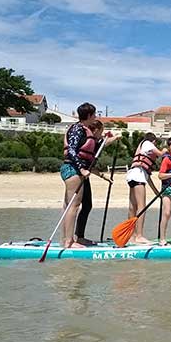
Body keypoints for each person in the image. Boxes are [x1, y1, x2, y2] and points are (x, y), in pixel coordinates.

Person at [59, 102, 98, 249]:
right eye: (94, 114)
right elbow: (71, 150)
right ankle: (69, 241)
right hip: (73, 169)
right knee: (73, 206)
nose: (95, 117)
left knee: (68, 206)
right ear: (88, 115)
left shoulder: (81, 129)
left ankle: (66, 239)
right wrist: (81, 169)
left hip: (73, 169)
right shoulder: (78, 129)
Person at [74, 120, 118, 246]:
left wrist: (104, 177)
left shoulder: (92, 142)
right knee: (79, 206)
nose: (101, 134)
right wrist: (114, 138)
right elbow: (103, 144)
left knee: (87, 205)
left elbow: (90, 166)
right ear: (96, 130)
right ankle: (75, 238)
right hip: (77, 175)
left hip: (84, 175)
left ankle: (78, 236)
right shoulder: (90, 141)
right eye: (101, 132)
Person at [126, 132, 165, 244]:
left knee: (132, 207)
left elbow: (148, 179)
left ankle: (131, 236)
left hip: (132, 175)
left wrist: (157, 194)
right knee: (141, 207)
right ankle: (139, 236)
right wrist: (165, 150)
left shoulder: (142, 149)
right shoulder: (148, 143)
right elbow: (161, 154)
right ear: (154, 141)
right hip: (137, 175)